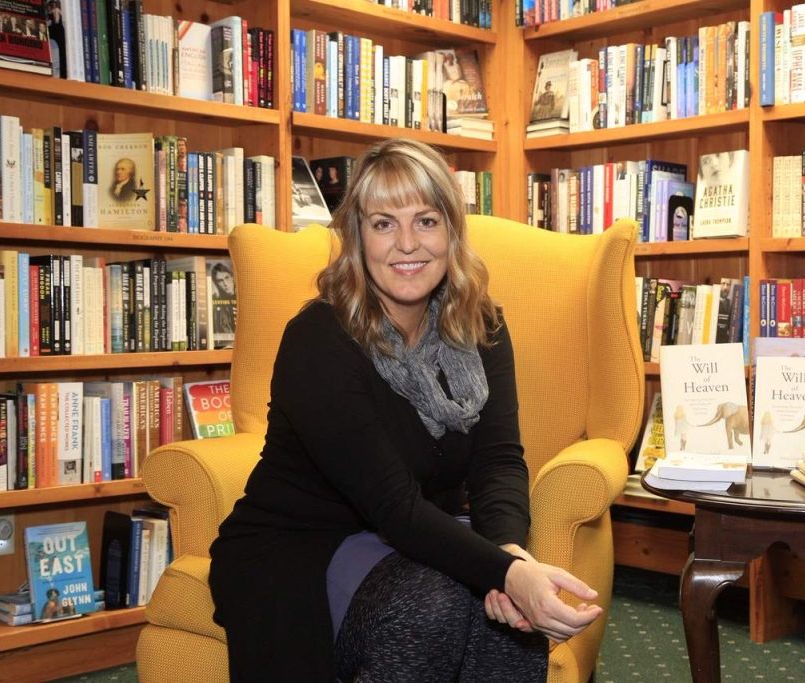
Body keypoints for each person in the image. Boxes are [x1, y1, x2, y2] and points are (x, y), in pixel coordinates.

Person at [208, 139, 602, 681]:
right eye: (384, 223)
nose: (407, 244)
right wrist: (508, 573)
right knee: (438, 605)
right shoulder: (319, 339)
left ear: (451, 232)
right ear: (357, 237)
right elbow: (392, 506)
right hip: (304, 546)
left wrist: (508, 549)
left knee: (508, 622)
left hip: (419, 533)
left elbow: (498, 460)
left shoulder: (480, 326)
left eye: (426, 220)